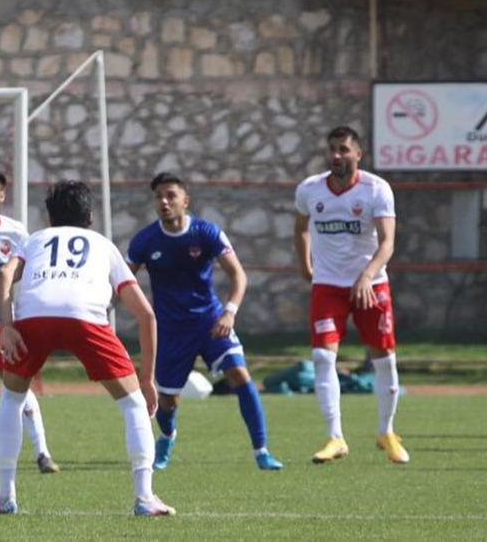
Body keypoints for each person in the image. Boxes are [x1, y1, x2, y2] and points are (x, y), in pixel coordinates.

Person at [0, 180, 174, 517]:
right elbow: (146, 314)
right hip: (85, 316)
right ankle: (145, 498)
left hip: (34, 315)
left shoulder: (34, 239)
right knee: (133, 405)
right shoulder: (103, 245)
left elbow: (4, 275)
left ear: (49, 217)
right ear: (89, 215)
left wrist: (7, 328)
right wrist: (147, 379)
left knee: (12, 399)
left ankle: (5, 495)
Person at [127, 173, 283, 471]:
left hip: (211, 321)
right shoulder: (146, 240)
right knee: (168, 400)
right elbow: (123, 278)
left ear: (185, 200)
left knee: (239, 373)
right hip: (171, 329)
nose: (164, 201)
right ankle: (167, 436)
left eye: (171, 195)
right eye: (159, 196)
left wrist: (230, 311)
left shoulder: (207, 232)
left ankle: (262, 450)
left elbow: (238, 274)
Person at [294, 126, 407, 465]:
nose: (337, 156)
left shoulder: (376, 189)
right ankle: (335, 436)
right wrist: (305, 266)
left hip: (371, 286)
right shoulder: (310, 189)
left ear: (359, 153)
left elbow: (387, 242)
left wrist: (367, 276)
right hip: (328, 287)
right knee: (323, 358)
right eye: (332, 149)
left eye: (344, 149)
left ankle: (386, 431)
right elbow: (300, 226)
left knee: (383, 358)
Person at [0, 163, 58, 474]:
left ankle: (42, 452)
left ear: (1, 195)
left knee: (18, 385)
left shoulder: (17, 233)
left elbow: (30, 274)